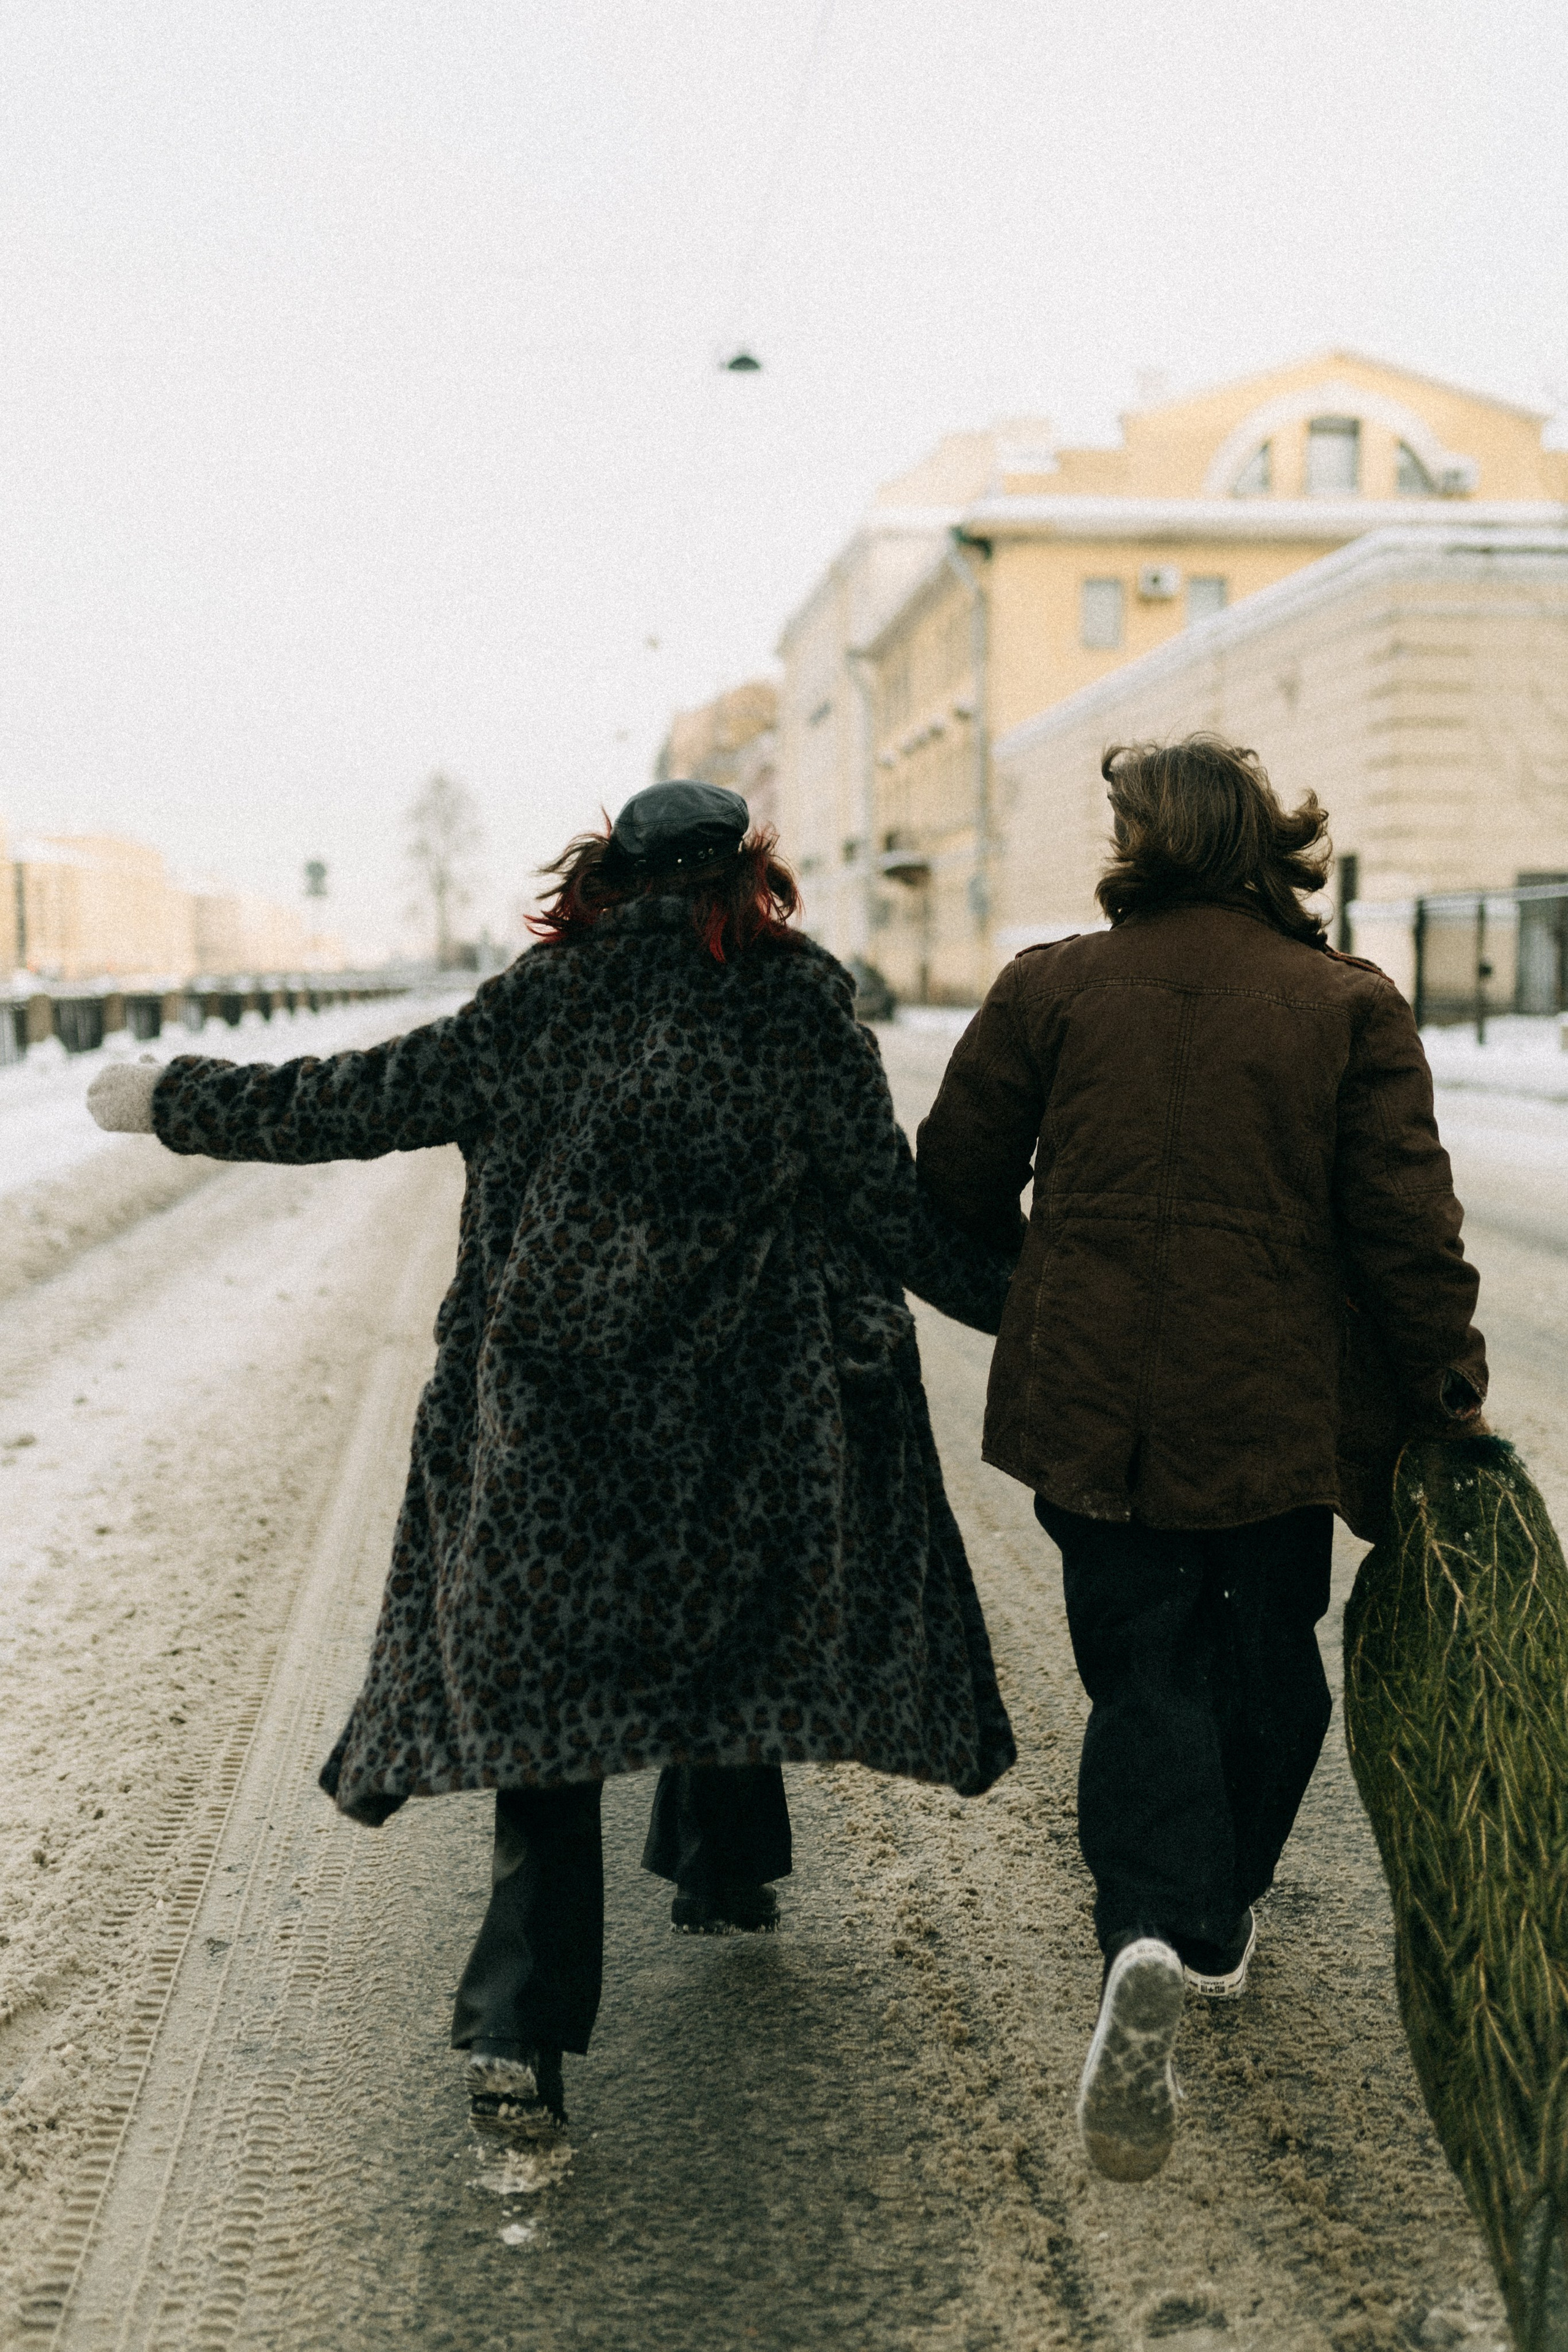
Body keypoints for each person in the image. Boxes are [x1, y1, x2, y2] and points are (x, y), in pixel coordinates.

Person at [88, 780, 1017, 2128]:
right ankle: (725, 1865)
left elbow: (355, 1099)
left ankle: (519, 2038)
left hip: (554, 1419)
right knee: (730, 1628)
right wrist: (1051, 1300)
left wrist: (177, 1095)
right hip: (741, 1415)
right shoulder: (797, 1002)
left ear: (599, 881)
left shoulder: (541, 1003)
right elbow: (887, 1208)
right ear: (745, 882)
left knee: (552, 1716)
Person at [915, 735, 1487, 2185]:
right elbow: (1404, 1232)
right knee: (1266, 1651)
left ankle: (1146, 1929)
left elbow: (953, 1191)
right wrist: (1443, 1394)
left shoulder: (1047, 987)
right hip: (1273, 1406)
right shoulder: (1345, 1007)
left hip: (1091, 1404)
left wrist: (1042, 1296)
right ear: (1267, 842)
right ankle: (1212, 1909)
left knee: (1139, 1658)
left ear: (1140, 842)